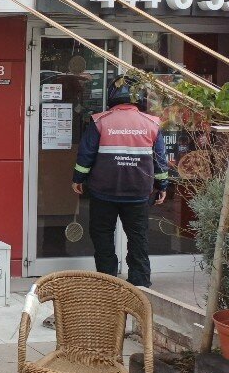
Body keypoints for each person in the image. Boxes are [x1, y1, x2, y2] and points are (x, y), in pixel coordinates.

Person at [71, 74, 169, 287]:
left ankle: (108, 284)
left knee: (102, 237)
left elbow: (85, 155)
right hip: (138, 194)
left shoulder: (100, 121)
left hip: (103, 193)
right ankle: (140, 286)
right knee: (138, 240)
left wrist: (78, 178)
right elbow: (161, 160)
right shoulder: (152, 124)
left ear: (112, 95)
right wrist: (162, 186)